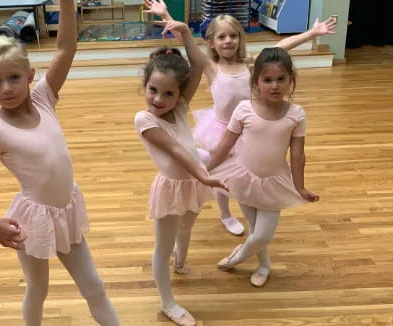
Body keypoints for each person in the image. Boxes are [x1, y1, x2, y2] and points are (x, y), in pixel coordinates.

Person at [0, 1, 121, 325]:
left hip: (66, 210)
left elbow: (66, 47)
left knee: (95, 285)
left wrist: (65, 4)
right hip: (32, 220)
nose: (6, 88)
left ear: (30, 76)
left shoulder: (43, 97)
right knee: (38, 289)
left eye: (14, 77)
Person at [143, 0, 335, 236]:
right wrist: (166, 15)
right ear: (212, 41)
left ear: (240, 39)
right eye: (222, 37)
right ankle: (225, 213)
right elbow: (188, 43)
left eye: (233, 36)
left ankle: (250, 206)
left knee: (243, 171)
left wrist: (312, 32)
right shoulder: (211, 66)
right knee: (222, 172)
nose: (228, 41)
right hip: (220, 129)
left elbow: (280, 47)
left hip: (248, 127)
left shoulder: (250, 64)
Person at [134, 21, 227, 326]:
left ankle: (182, 261)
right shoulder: (144, 119)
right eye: (153, 90)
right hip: (173, 185)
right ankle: (167, 303)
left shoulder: (180, 107)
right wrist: (203, 175)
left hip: (192, 182)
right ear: (145, 86)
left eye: (168, 94)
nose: (159, 99)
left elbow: (199, 64)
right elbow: (175, 150)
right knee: (162, 246)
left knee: (187, 226)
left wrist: (186, 33)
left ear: (179, 94)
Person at [207, 47, 320, 287]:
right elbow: (225, 146)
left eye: (281, 79)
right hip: (243, 176)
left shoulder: (296, 114)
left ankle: (235, 258)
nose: (275, 86)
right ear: (256, 82)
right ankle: (263, 265)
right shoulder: (244, 109)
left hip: (274, 182)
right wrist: (206, 171)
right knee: (254, 229)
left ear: (291, 79)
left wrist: (300, 187)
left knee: (262, 235)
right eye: (267, 80)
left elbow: (298, 155)